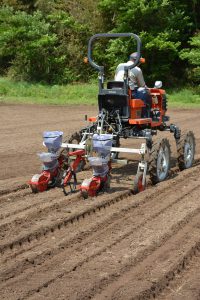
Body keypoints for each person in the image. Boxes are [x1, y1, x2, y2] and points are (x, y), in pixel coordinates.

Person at [114, 52, 151, 117]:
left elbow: (116, 79)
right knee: (144, 92)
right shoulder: (137, 69)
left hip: (116, 92)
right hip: (128, 93)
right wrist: (149, 90)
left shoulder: (119, 65)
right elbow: (142, 85)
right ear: (137, 61)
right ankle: (144, 116)